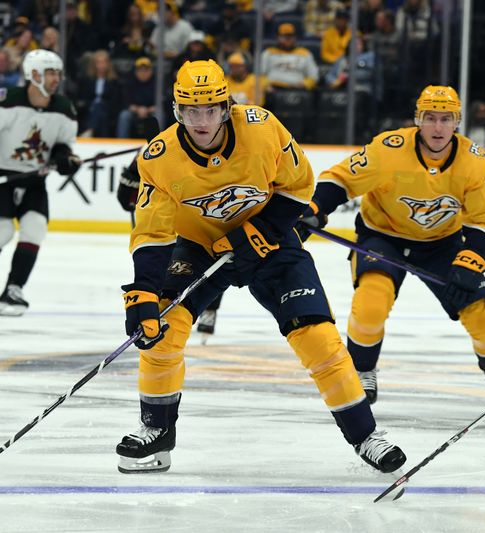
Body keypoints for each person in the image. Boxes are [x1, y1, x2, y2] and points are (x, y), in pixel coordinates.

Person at [115, 59, 406, 475]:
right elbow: (152, 233)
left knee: (317, 337)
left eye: (210, 109)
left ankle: (366, 435)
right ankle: (157, 432)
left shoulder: (262, 128)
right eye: (191, 110)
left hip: (270, 241)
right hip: (199, 246)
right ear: (177, 110)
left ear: (226, 106)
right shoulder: (159, 157)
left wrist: (260, 229)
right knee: (162, 328)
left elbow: (300, 187)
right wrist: (143, 292)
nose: (201, 121)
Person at [295, 85, 485, 418]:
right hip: (383, 237)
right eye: (430, 118)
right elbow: (341, 179)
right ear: (417, 120)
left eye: (446, 119)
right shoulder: (388, 149)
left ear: (457, 123)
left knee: (483, 311)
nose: (438, 127)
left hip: (443, 244)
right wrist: (317, 207)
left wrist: (470, 260)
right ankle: (363, 371)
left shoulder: (477, 163)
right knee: (371, 302)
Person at [0, 49, 80, 316]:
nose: (56, 78)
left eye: (58, 72)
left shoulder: (64, 108)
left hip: (34, 178)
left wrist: (64, 158)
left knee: (35, 229)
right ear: (34, 75)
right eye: (50, 73)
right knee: (1, 232)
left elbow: (64, 144)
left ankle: (14, 290)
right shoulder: (6, 101)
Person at [117, 153, 225, 336]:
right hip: (169, 227)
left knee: (214, 258)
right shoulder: (159, 148)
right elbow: (125, 195)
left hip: (201, 224)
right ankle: (160, 305)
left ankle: (209, 308)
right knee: (167, 276)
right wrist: (135, 178)